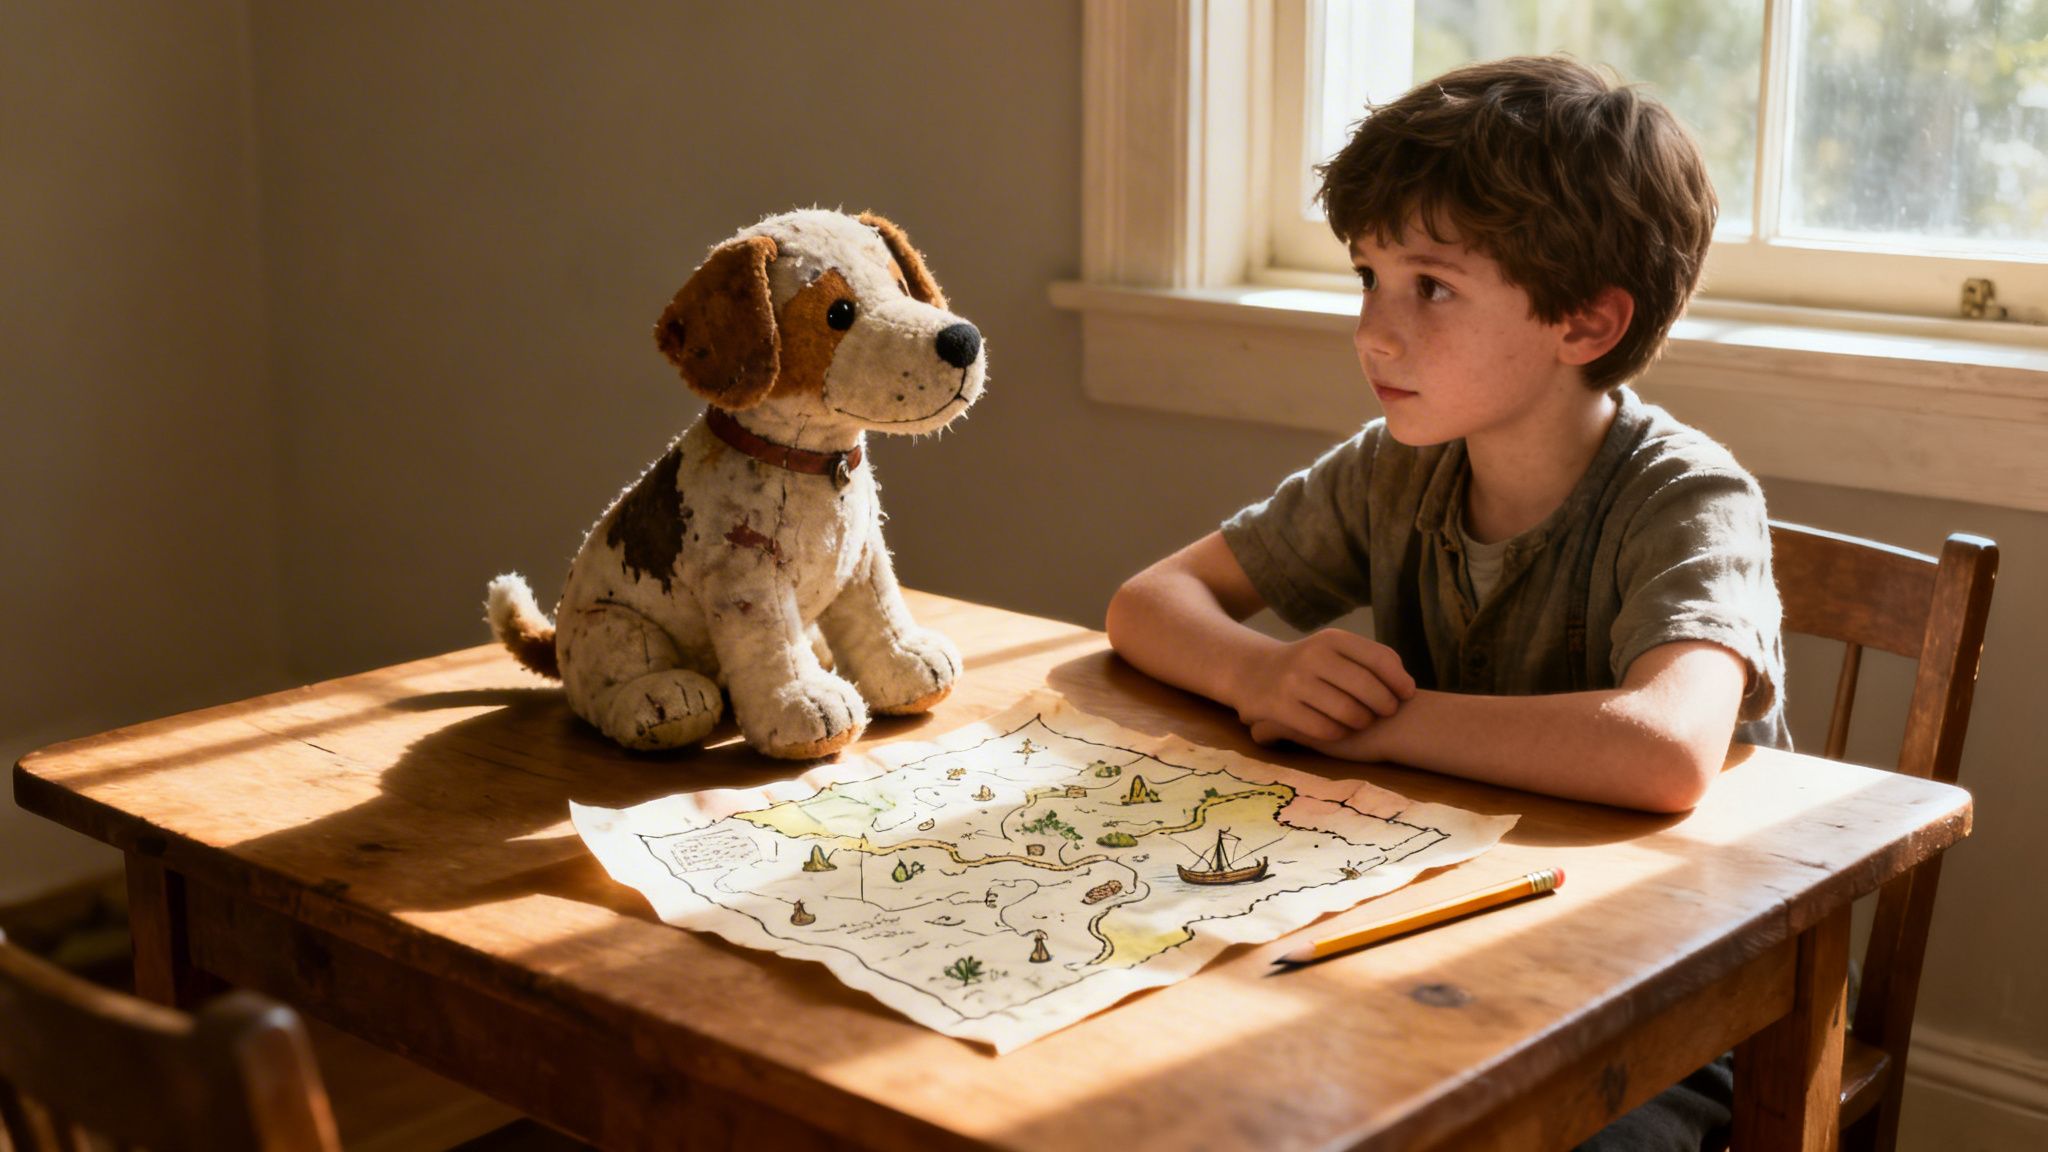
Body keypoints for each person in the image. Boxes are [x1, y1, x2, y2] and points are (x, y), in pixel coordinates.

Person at [1106, 54, 1786, 1150]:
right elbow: (1148, 602)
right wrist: (1261, 671)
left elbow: (1662, 752)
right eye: (1364, 277)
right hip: (1449, 953)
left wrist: (1378, 717)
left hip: (1672, 1008)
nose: (1374, 329)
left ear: (1583, 322)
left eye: (1429, 287)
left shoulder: (1688, 497)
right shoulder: (1394, 466)